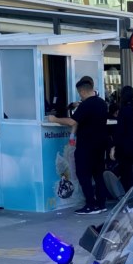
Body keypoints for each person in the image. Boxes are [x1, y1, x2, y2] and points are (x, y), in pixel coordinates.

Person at [48, 76, 108, 215]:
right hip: (100, 144)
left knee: (83, 174)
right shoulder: (101, 103)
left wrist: (54, 119)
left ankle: (90, 205)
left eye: (79, 93)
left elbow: (71, 122)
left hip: (87, 145)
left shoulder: (86, 105)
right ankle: (101, 203)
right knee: (98, 174)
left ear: (82, 91)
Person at [112, 85, 133, 192]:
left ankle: (131, 201)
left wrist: (115, 146)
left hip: (125, 147)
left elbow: (120, 130)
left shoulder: (123, 110)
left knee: (127, 174)